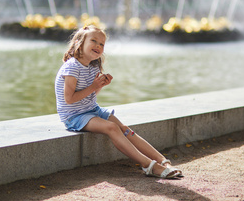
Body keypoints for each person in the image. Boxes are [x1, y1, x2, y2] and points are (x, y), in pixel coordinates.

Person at [54, 25, 183, 178]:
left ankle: (162, 160)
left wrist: (99, 86)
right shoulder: (72, 67)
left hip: (91, 110)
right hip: (74, 116)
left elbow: (90, 95)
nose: (98, 46)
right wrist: (94, 85)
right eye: (94, 41)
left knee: (124, 128)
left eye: (102, 44)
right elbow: (69, 99)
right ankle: (149, 165)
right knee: (112, 128)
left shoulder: (93, 66)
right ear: (79, 43)